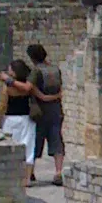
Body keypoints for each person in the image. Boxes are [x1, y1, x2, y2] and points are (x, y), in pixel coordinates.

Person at [26, 42, 65, 186]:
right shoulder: (55, 69)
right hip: (56, 110)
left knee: (36, 141)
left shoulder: (36, 71)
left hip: (40, 111)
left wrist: (41, 95)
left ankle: (30, 172)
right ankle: (58, 172)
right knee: (57, 140)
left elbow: (29, 87)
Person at [0, 59, 36, 187]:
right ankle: (27, 178)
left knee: (9, 148)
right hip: (27, 119)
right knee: (28, 148)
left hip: (11, 119)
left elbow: (3, 105)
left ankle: (10, 176)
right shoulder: (27, 85)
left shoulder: (8, 87)